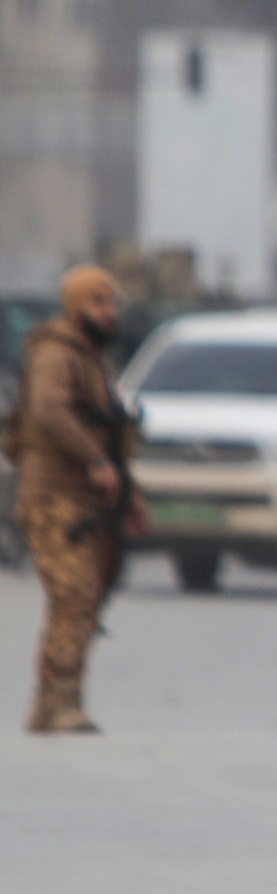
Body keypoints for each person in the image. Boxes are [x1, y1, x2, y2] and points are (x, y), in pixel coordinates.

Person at [4, 264, 147, 734]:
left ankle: (56, 705)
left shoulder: (91, 358)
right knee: (74, 595)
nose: (108, 313)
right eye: (97, 303)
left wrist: (130, 494)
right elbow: (48, 411)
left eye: (110, 303)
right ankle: (58, 705)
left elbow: (110, 434)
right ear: (75, 306)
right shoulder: (56, 353)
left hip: (87, 501)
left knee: (84, 599)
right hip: (53, 497)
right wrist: (93, 460)